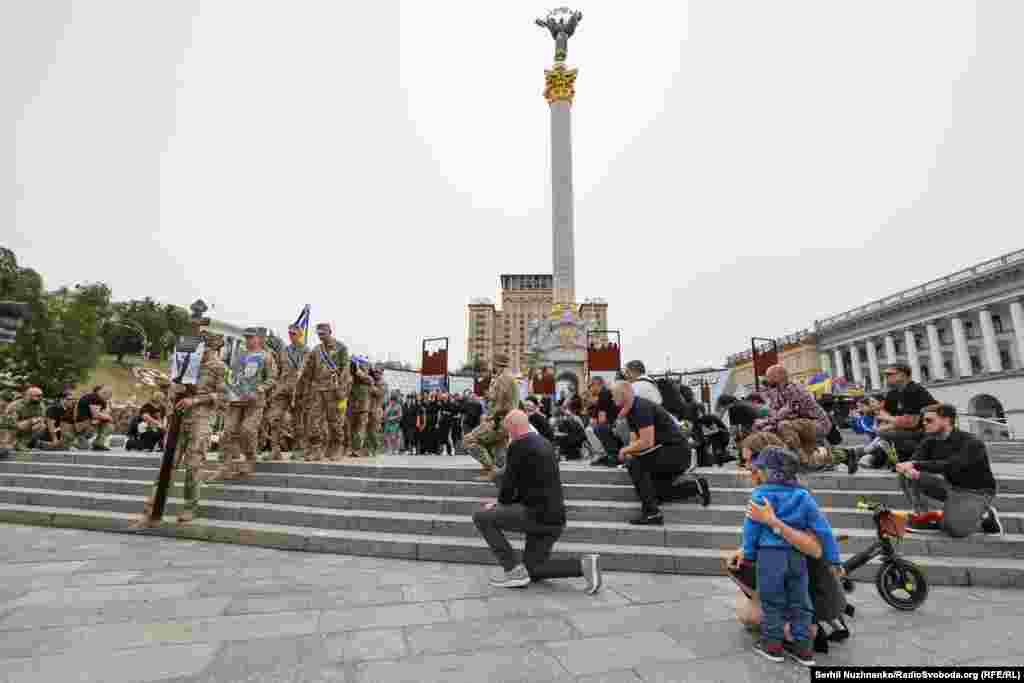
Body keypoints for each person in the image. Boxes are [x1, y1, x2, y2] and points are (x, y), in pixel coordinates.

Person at [472, 410, 602, 593]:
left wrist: (499, 504)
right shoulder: (545, 443)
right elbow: (532, 483)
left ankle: (512, 569)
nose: (507, 435)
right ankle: (583, 565)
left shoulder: (518, 446)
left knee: (481, 516)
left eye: (507, 430)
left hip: (536, 515)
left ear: (513, 428)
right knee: (533, 568)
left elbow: (508, 489)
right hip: (554, 519)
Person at [738, 447, 842, 666]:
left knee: (772, 601)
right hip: (797, 556)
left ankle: (772, 645)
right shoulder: (803, 496)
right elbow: (823, 530)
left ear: (768, 472)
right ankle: (803, 649)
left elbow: (751, 529)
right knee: (800, 601)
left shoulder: (760, 495)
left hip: (769, 556)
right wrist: (834, 559)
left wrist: (747, 554)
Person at [135, 332, 227, 526]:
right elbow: (174, 391)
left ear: (210, 348)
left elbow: (224, 395)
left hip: (201, 418)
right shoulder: (184, 365)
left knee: (194, 463)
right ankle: (152, 506)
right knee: (169, 462)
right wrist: (169, 387)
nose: (198, 352)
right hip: (178, 419)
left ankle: (189, 506)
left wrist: (196, 400)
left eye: (203, 348)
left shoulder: (218, 367)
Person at [611, 381, 710, 525]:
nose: (612, 399)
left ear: (624, 394)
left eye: (614, 395)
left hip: (676, 453)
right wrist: (630, 450)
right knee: (656, 493)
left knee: (635, 464)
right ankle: (696, 487)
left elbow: (646, 442)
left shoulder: (641, 408)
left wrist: (624, 450)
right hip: (667, 452)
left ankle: (652, 513)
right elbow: (635, 441)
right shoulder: (632, 410)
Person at [896, 403, 1002, 536]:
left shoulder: (971, 442)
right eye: (923, 420)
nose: (924, 423)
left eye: (929, 420)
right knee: (907, 475)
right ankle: (924, 517)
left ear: (946, 420)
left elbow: (953, 465)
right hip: (950, 486)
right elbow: (914, 461)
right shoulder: (929, 441)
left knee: (955, 530)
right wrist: (908, 468)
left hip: (976, 492)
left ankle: (986, 516)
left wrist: (915, 465)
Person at [754, 366, 852, 473]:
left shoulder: (794, 388)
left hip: (817, 423)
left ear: (779, 376)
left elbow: (788, 413)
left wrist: (766, 423)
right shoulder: (778, 391)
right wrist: (766, 425)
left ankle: (802, 460)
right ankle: (846, 455)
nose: (767, 380)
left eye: (769, 377)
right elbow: (775, 411)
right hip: (801, 425)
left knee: (783, 425)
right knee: (815, 460)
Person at [216, 327, 278, 480]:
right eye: (246, 337)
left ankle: (249, 460)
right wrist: (228, 387)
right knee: (228, 431)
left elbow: (272, 378)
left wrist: (261, 388)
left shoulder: (266, 357)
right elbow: (231, 375)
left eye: (251, 337)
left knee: (248, 430)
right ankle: (226, 465)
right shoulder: (240, 355)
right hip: (236, 400)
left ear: (258, 338)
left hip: (255, 401)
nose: (248, 340)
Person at [853, 364, 935, 468]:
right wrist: (885, 425)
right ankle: (872, 457)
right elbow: (884, 414)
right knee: (885, 434)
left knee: (887, 435)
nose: (886, 377)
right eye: (885, 375)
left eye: (889, 374)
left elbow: (911, 422)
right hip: (909, 431)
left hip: (926, 432)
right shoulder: (893, 393)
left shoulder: (915, 390)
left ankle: (867, 455)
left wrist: (887, 423)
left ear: (903, 375)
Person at [297, 323, 350, 462]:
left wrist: (342, 389)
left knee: (335, 420)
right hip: (317, 390)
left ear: (330, 331)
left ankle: (337, 447)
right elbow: (308, 370)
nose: (321, 336)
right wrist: (303, 382)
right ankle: (316, 449)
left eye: (323, 333)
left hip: (334, 389)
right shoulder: (316, 350)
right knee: (314, 420)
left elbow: (345, 370)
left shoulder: (341, 348)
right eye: (319, 333)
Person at [463, 353, 519, 482]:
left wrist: (490, 417)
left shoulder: (504, 379)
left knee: (468, 441)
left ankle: (493, 471)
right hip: (505, 421)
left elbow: (503, 404)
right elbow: (502, 400)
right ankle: (500, 473)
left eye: (492, 363)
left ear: (496, 364)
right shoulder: (506, 377)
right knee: (498, 451)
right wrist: (489, 398)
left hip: (499, 421)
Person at [267, 324, 310, 461]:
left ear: (300, 335)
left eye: (294, 334)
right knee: (275, 418)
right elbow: (278, 369)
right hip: (283, 388)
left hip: (299, 390)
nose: (291, 336)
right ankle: (275, 449)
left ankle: (299, 449)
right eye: (290, 333)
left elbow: (308, 371)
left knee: (298, 421)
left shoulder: (306, 351)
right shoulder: (284, 351)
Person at [0, 387, 47, 455]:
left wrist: (33, 421)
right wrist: (30, 421)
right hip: (9, 428)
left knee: (41, 426)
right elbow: (10, 422)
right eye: (38, 395)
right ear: (29, 395)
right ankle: (9, 444)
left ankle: (22, 443)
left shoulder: (40, 405)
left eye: (41, 395)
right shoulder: (16, 405)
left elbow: (41, 418)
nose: (40, 397)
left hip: (25, 426)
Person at [74, 385, 114, 451]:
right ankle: (83, 440)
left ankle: (97, 443)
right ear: (105, 393)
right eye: (109, 396)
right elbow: (96, 415)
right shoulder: (95, 398)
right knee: (109, 425)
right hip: (82, 425)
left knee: (106, 423)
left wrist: (106, 416)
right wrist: (109, 417)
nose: (109, 399)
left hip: (83, 423)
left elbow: (103, 413)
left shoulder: (99, 399)